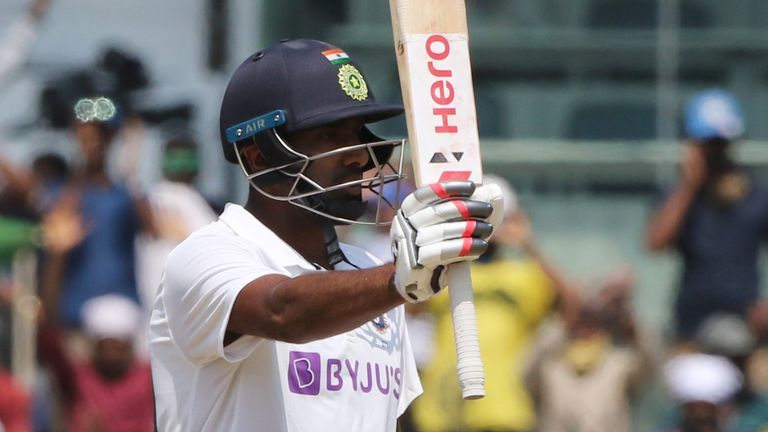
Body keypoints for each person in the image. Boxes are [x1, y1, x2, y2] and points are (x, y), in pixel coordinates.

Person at [148, 38, 502, 432]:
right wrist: (399, 279)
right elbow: (283, 312)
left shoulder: (370, 271)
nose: (359, 155)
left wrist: (398, 279)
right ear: (259, 156)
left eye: (357, 134)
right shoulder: (204, 256)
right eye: (330, 136)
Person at [412, 174, 557, 432]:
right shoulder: (445, 272)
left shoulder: (525, 274)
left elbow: (574, 308)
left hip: (505, 409)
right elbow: (407, 305)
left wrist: (529, 245)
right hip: (442, 410)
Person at [646, 89, 768, 340]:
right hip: (690, 323)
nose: (716, 151)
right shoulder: (677, 196)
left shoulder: (757, 194)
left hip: (746, 321)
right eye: (708, 143)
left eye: (720, 143)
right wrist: (689, 185)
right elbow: (655, 243)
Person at [42, 97, 156, 329]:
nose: (94, 142)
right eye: (85, 135)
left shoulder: (125, 195)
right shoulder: (58, 195)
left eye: (102, 135)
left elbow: (155, 230)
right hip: (74, 321)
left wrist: (131, 165)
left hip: (122, 323)